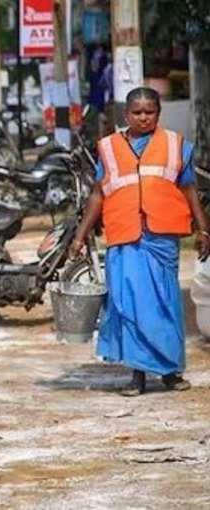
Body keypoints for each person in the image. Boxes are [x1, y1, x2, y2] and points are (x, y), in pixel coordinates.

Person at [71, 87, 210, 396]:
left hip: (161, 240)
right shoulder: (107, 148)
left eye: (150, 112)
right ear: (126, 115)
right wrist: (80, 235)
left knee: (164, 305)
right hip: (124, 238)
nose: (143, 117)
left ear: (158, 114)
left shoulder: (176, 146)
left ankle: (171, 372)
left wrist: (204, 229)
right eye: (137, 112)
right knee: (129, 306)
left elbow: (190, 191)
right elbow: (98, 194)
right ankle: (138, 376)